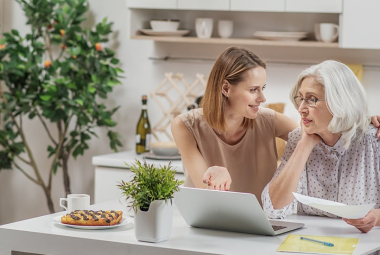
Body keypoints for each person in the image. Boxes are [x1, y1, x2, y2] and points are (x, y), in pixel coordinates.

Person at [262, 60, 380, 233]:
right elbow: (273, 209)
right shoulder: (298, 139)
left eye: (312, 99)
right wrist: (304, 146)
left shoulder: (373, 141)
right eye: (301, 98)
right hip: (307, 245)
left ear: (340, 102)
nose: (301, 108)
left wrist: (376, 218)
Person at [171, 47, 298, 205]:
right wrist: (214, 174)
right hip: (208, 222)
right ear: (226, 88)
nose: (262, 98)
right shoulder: (185, 126)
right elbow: (206, 191)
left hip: (262, 223)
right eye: (253, 90)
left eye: (262, 88)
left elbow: (317, 140)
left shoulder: (269, 121)